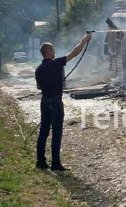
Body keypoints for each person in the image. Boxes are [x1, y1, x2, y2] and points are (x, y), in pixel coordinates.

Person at [35, 33, 91, 171]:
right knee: (57, 133)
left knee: (43, 133)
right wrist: (84, 39)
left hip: (44, 102)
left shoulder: (38, 69)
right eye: (53, 49)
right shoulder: (57, 63)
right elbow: (75, 52)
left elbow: (38, 87)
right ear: (48, 52)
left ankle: (41, 162)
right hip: (55, 103)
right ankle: (55, 164)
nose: (55, 51)